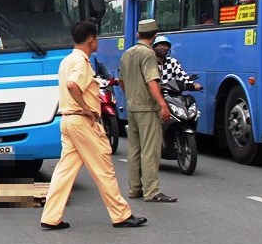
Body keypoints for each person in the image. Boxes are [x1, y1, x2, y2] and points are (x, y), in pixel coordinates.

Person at [40, 21, 147, 230]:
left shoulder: (66, 60)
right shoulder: (82, 62)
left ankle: (51, 216)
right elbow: (73, 85)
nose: (97, 42)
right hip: (82, 120)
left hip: (68, 120)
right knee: (104, 168)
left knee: (64, 171)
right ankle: (121, 215)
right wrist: (87, 109)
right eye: (96, 38)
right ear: (91, 40)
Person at [119, 19, 175, 203]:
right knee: (150, 150)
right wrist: (162, 105)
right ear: (155, 35)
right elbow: (152, 81)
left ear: (138, 35)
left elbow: (122, 82)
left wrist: (131, 97)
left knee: (134, 149)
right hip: (147, 109)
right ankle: (152, 191)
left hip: (132, 107)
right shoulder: (149, 55)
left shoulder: (127, 53)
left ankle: (134, 189)